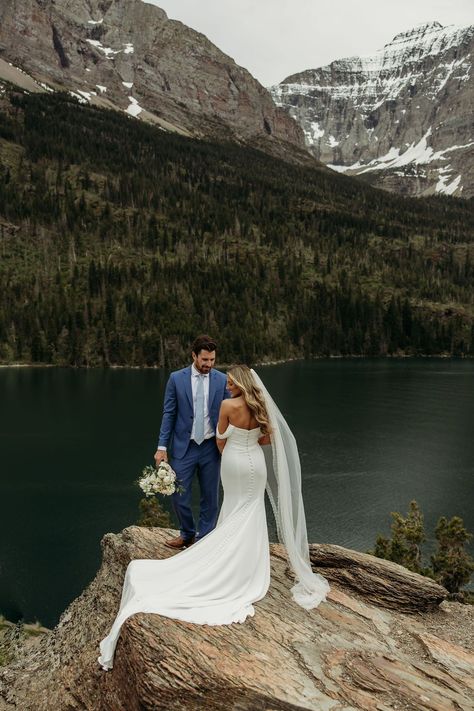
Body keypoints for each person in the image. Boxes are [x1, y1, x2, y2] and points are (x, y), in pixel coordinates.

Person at [98, 365, 330, 671]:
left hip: (233, 463)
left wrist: (232, 442)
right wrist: (249, 438)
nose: (228, 386)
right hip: (256, 466)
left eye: (232, 383)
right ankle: (246, 565)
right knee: (251, 511)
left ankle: (223, 561)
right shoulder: (260, 406)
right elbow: (266, 440)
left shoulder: (227, 406)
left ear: (240, 384)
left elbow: (220, 440)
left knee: (233, 509)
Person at [154, 335, 229, 549]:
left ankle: (204, 539)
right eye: (205, 360)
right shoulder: (176, 379)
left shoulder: (221, 380)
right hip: (183, 447)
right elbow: (169, 413)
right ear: (194, 355)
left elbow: (229, 412)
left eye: (212, 360)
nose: (209, 364)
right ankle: (187, 533)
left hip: (210, 447)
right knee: (177, 494)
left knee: (210, 497)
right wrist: (161, 447)